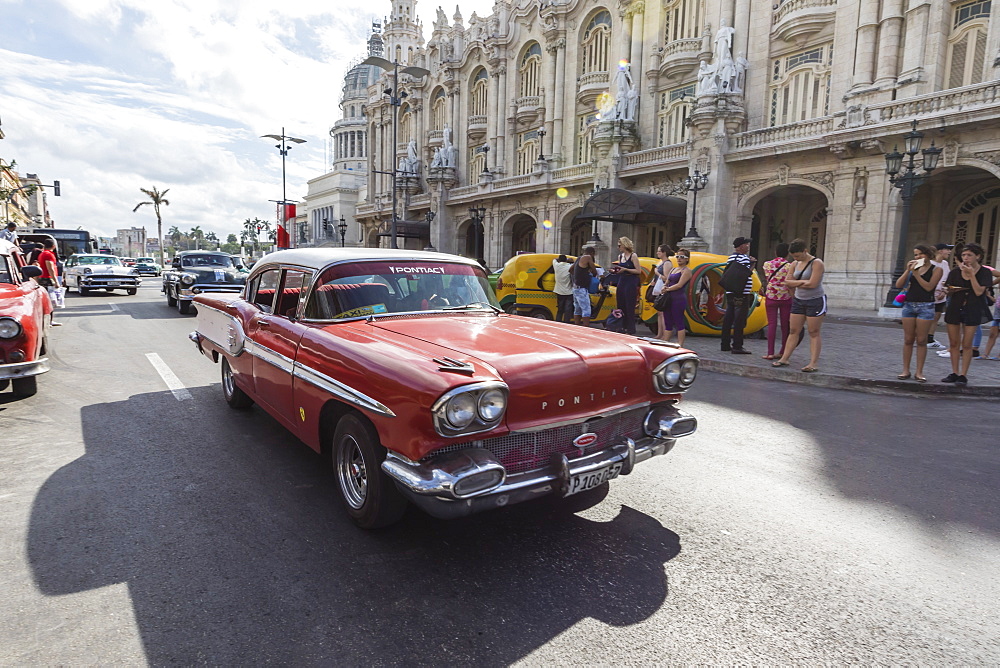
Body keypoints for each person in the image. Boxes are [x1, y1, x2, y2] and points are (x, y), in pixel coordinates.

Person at [941, 242, 992, 385]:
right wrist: (948, 290)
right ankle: (954, 372)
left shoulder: (985, 272)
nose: (966, 258)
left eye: (969, 255)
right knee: (954, 343)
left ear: (978, 256)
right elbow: (948, 289)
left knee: (967, 344)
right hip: (955, 307)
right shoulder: (955, 272)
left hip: (973, 308)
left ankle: (963, 374)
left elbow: (978, 291)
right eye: (963, 255)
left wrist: (971, 275)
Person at [772, 238, 825, 371]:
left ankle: (813, 363)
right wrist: (802, 283)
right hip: (799, 299)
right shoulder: (795, 264)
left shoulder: (817, 263)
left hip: (815, 300)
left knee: (813, 331)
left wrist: (796, 283)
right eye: (794, 256)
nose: (796, 258)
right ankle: (784, 358)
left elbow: (813, 284)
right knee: (794, 330)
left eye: (798, 255)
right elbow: (787, 281)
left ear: (805, 251)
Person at [894, 243, 943, 382]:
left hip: (926, 306)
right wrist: (908, 271)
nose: (918, 257)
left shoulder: (936, 269)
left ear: (928, 254)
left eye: (920, 254)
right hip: (909, 305)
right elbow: (898, 285)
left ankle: (919, 372)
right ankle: (905, 370)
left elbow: (929, 287)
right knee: (908, 339)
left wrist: (916, 274)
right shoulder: (913, 269)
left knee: (921, 340)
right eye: (915, 254)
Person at [721, 236, 755, 354]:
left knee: (728, 317)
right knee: (739, 320)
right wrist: (752, 263)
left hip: (731, 292)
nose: (748, 247)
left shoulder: (731, 257)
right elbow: (746, 274)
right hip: (741, 293)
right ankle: (737, 345)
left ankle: (725, 344)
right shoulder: (744, 258)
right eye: (746, 244)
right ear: (741, 246)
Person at [761, 242, 794, 360]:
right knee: (785, 325)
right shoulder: (790, 266)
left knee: (772, 324)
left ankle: (770, 352)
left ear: (775, 252)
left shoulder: (767, 264)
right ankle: (783, 352)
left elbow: (767, 277)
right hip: (785, 297)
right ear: (788, 254)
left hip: (771, 296)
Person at [660, 248, 692, 346]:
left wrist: (668, 289)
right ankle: (666, 342)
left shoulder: (686, 270)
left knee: (679, 321)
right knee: (667, 321)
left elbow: (679, 285)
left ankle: (680, 344)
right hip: (669, 298)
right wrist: (664, 287)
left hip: (678, 298)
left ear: (687, 259)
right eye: (677, 256)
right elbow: (667, 281)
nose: (679, 259)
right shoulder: (673, 269)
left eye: (682, 257)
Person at [611, 237, 642, 335]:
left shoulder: (633, 256)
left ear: (625, 245)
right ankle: (622, 326)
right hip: (622, 280)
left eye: (619, 245)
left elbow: (638, 271)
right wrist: (615, 271)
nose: (618, 247)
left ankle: (630, 329)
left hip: (631, 281)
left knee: (629, 305)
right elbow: (620, 269)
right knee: (621, 304)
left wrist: (626, 269)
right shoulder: (621, 256)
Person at [928, 243, 953, 350]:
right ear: (939, 251)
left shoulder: (945, 263)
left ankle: (930, 338)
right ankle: (921, 337)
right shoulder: (929, 263)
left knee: (936, 316)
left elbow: (947, 279)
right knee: (927, 317)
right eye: (947, 249)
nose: (950, 252)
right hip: (929, 294)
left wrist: (945, 291)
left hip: (941, 295)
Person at [36, 238, 63, 326]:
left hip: (43, 277)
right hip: (47, 278)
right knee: (50, 300)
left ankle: (47, 320)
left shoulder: (42, 254)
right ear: (54, 246)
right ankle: (49, 320)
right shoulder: (49, 254)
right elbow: (50, 267)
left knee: (46, 300)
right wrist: (56, 281)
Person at [572, 246, 598, 327]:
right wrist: (590, 273)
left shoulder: (578, 258)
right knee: (586, 309)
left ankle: (577, 326)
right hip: (582, 288)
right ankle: (586, 328)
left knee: (577, 309)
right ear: (592, 253)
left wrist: (578, 276)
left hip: (575, 287)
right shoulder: (588, 257)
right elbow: (594, 270)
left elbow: (570, 270)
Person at [650, 244, 672, 340]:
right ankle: (660, 334)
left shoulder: (667, 263)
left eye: (659, 251)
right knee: (659, 313)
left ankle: (664, 335)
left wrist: (657, 273)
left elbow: (666, 278)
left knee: (662, 313)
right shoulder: (661, 262)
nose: (657, 252)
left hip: (663, 289)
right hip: (658, 288)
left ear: (664, 252)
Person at [551, 254, 574, 323]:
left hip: (559, 291)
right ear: (566, 260)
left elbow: (554, 259)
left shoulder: (556, 266)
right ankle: (567, 322)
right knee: (568, 309)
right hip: (569, 292)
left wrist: (558, 259)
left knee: (560, 309)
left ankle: (558, 322)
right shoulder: (569, 267)